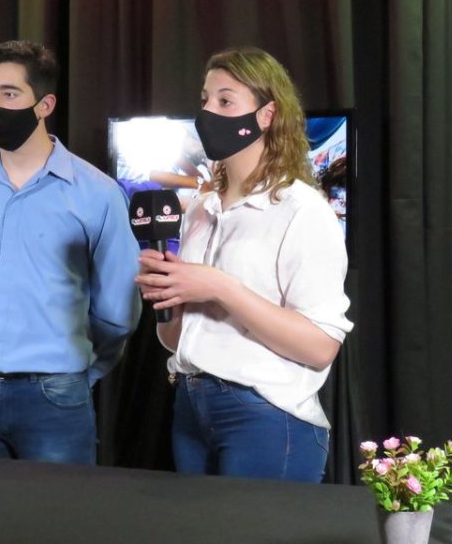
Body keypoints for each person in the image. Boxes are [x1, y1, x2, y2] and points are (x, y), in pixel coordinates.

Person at [135, 48, 352, 482]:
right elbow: (175, 339)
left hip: (266, 416)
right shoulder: (199, 209)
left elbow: (320, 346)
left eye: (225, 101)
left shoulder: (302, 210)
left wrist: (219, 286)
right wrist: (168, 294)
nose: (208, 113)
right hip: (191, 407)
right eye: (205, 100)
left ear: (267, 115)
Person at [0, 39, 141, 465]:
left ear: (45, 104)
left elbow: (118, 310)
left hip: (54, 392)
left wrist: (74, 369)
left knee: (56, 524)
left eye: (9, 94)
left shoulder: (97, 194)